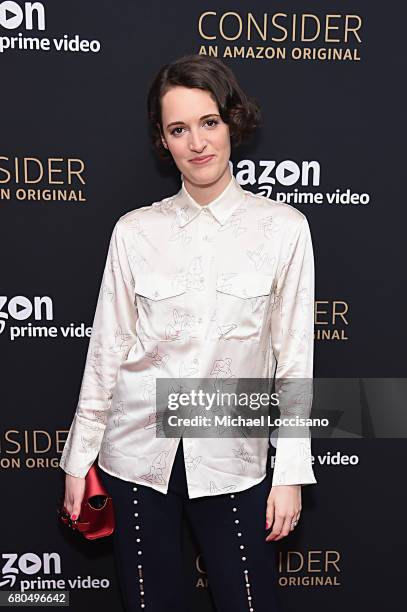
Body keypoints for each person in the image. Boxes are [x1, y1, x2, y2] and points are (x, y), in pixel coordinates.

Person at [60, 54, 317, 611]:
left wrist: (291, 471)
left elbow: (294, 358)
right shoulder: (134, 232)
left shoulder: (283, 230)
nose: (197, 142)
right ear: (163, 139)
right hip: (134, 458)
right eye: (179, 129)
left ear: (232, 123)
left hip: (232, 457)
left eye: (209, 122)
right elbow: (107, 348)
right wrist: (79, 459)